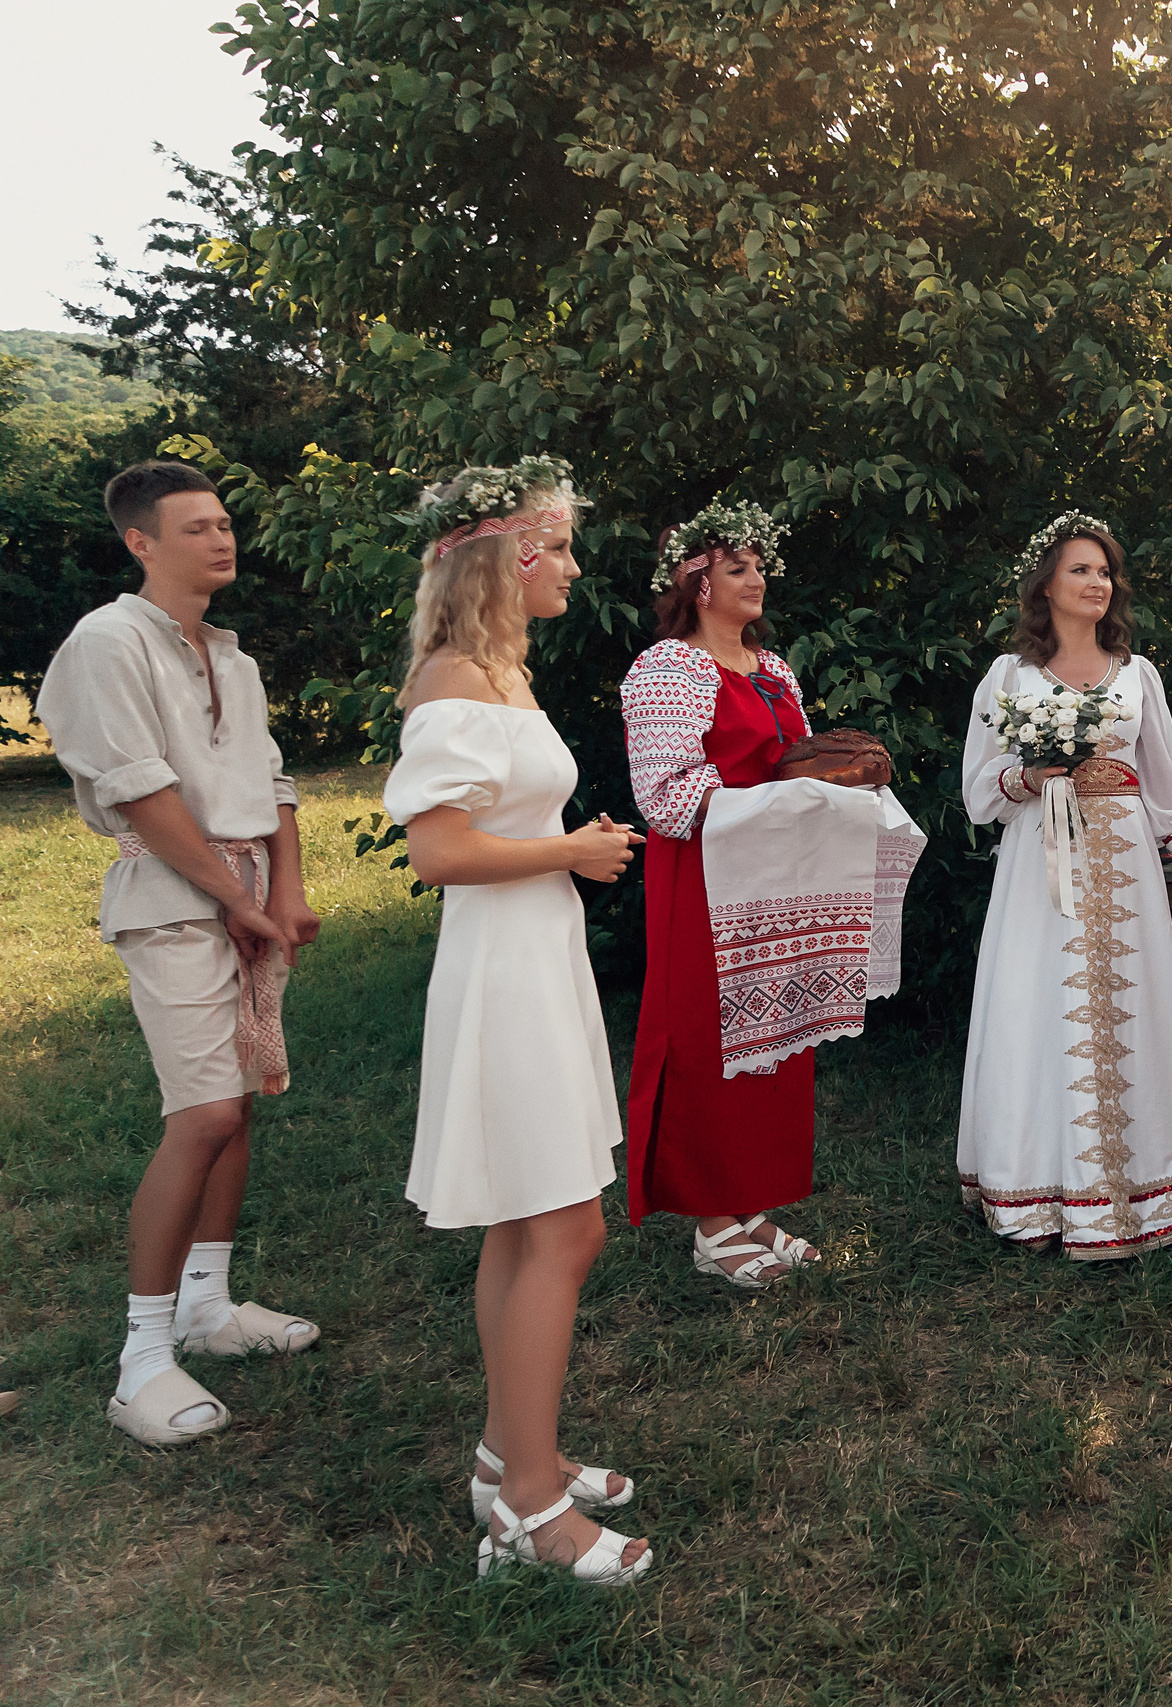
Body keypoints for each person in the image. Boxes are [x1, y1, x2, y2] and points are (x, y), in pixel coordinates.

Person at [382, 455, 653, 1585]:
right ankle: (532, 1513)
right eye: (563, 544)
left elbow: (496, 819)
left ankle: (510, 1452)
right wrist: (572, 853)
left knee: (524, 1221)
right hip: (504, 969)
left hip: (536, 954)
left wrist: (561, 853)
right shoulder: (455, 679)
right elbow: (437, 849)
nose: (578, 568)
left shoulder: (500, 670)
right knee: (564, 1229)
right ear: (516, 553)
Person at [38, 460, 323, 1448]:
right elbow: (141, 791)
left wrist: (281, 894)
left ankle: (209, 1305)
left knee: (238, 1104)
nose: (221, 537)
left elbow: (274, 782)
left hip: (243, 896)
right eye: (195, 526)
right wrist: (229, 899)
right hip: (172, 898)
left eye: (225, 522)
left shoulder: (231, 657)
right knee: (199, 1114)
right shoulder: (109, 643)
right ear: (141, 543)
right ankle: (142, 1361)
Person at [956, 514, 1172, 1259]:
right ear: (1045, 581)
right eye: (1081, 569)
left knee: (1136, 1001)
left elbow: (1168, 790)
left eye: (1105, 571)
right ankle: (1040, 1185)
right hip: (1040, 862)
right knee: (1039, 1003)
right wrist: (1030, 775)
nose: (1097, 583)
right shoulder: (1008, 677)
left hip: (1127, 865)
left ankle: (1159, 1181)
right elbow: (979, 791)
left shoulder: (1136, 674)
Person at [621, 500, 827, 1289]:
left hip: (778, 872)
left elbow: (797, 760)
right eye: (736, 567)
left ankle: (750, 1201)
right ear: (694, 581)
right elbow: (668, 793)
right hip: (704, 876)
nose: (755, 579)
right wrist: (769, 804)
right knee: (710, 1036)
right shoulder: (668, 669)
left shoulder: (772, 669)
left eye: (758, 566)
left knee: (774, 1032)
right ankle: (710, 1221)